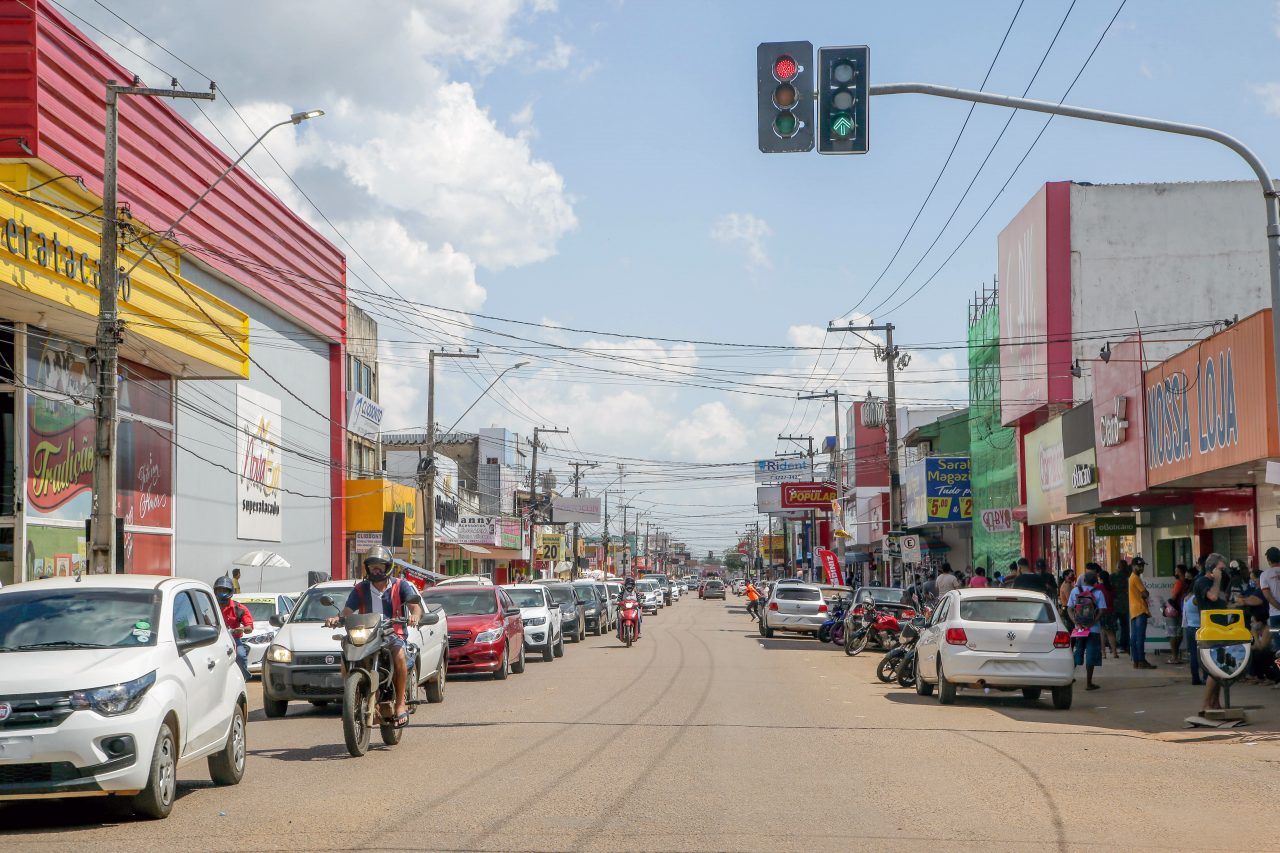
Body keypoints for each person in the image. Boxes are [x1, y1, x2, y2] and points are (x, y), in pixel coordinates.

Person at [326, 546, 423, 728]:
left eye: (379, 566)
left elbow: (414, 606)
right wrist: (336, 619)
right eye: (372, 566)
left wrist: (415, 615)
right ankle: (352, 699)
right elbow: (347, 611)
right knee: (346, 652)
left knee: (400, 656)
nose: (375, 570)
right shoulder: (361, 589)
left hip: (393, 634)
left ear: (388, 567)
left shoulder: (400, 585)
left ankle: (400, 704)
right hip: (368, 636)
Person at [1192, 554, 1231, 713]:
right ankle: (1207, 703)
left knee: (1221, 669)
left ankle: (1215, 702)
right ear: (1212, 568)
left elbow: (1222, 601)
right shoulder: (1202, 582)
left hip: (1221, 629)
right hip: (1210, 630)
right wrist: (1216, 579)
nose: (1223, 572)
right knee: (1214, 669)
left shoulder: (1218, 583)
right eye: (1220, 568)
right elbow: (1213, 597)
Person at [1067, 569, 1106, 690]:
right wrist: (1093, 622)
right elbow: (1102, 610)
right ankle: (1089, 683)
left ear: (1083, 580)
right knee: (1091, 654)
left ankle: (1068, 678)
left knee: (1077, 652)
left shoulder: (1075, 591)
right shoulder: (1098, 593)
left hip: (1079, 630)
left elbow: (1069, 608)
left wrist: (1076, 622)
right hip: (1093, 629)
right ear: (1095, 582)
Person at [215, 575, 253, 680]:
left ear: (230, 592)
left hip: (234, 640)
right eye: (219, 590)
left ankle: (244, 678)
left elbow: (249, 627)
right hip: (215, 639)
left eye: (224, 590)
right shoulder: (210, 607)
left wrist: (242, 629)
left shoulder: (240, 608)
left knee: (240, 655)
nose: (222, 592)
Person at [1128, 557, 1155, 669]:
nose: (1141, 568)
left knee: (1134, 638)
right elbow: (1145, 593)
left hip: (1134, 610)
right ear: (1133, 566)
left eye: (1142, 565)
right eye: (1139, 565)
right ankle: (1141, 661)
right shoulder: (1136, 578)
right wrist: (1146, 593)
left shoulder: (1131, 578)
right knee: (1140, 638)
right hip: (1140, 610)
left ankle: (1136, 661)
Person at [1166, 564, 1189, 665]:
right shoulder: (1187, 583)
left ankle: (1174, 656)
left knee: (1173, 634)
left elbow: (1174, 597)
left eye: (1176, 571)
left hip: (1175, 611)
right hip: (1182, 610)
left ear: (1179, 572)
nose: (1175, 573)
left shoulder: (1179, 583)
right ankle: (1176, 656)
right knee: (1179, 634)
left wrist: (1167, 605)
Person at [1096, 567, 1121, 659]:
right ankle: (1114, 652)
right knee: (1111, 633)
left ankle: (1103, 653)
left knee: (1102, 633)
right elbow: (1115, 597)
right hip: (1111, 612)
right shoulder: (1111, 587)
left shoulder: (1097, 587)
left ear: (1100, 578)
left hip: (1101, 612)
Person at [1261, 547, 1280, 655]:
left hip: (1274, 616)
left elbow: (1268, 596)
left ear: (1268, 560)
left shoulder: (1265, 575)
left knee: (1279, 648)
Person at [1115, 560, 1132, 651]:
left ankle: (1114, 646)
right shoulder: (1130, 576)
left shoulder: (1113, 577)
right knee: (1126, 626)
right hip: (1127, 604)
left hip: (1115, 605)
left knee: (1114, 627)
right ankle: (1126, 645)